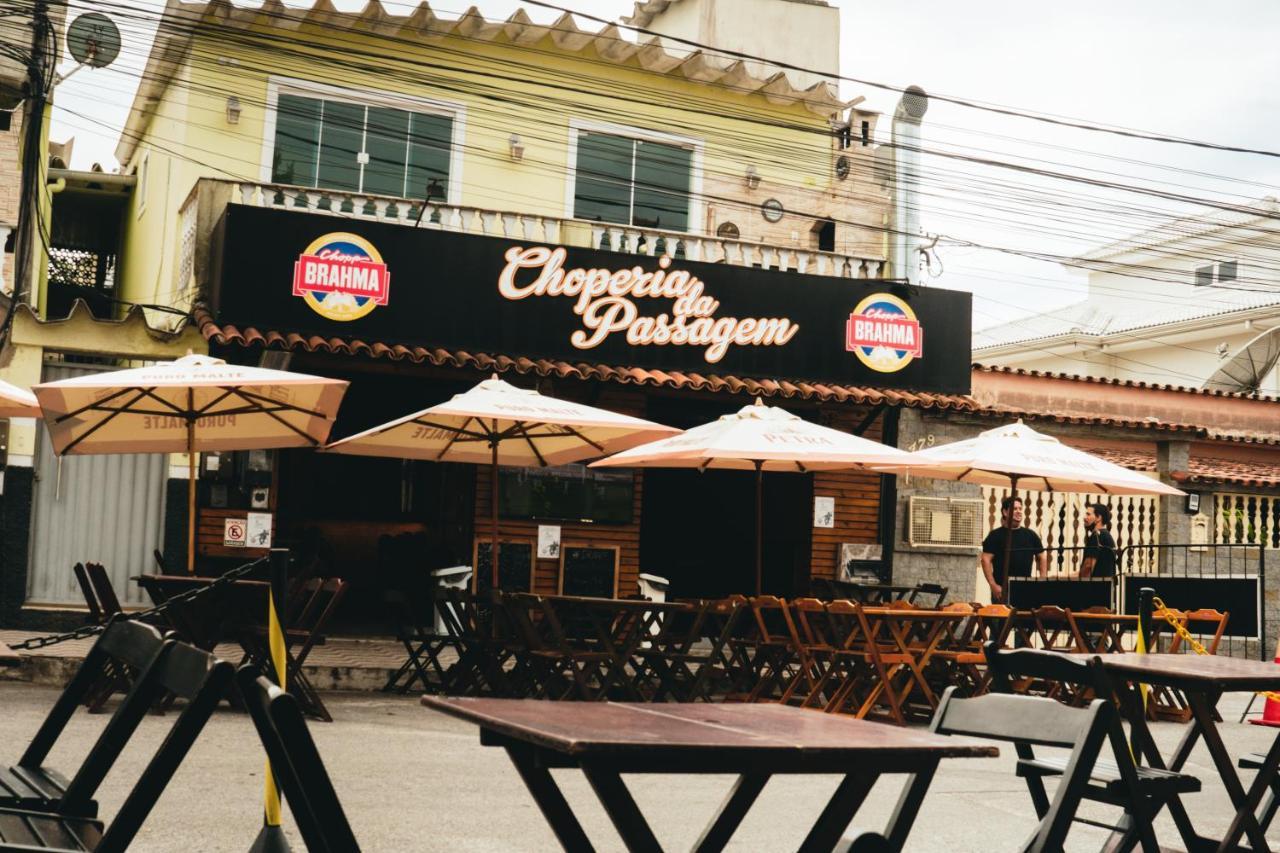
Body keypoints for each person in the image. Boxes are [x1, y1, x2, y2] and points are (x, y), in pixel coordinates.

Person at [981, 496, 1047, 603]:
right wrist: (993, 585)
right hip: (1002, 590)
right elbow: (985, 560)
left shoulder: (1031, 535)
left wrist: (1042, 580)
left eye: (1020, 509)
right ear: (1005, 512)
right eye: (1015, 509)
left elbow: (1042, 556)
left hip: (1026, 589)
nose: (1019, 512)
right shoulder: (995, 536)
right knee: (1002, 619)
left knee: (1024, 619)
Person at [1080, 503, 1117, 578]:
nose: (1084, 517)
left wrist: (1081, 584)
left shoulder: (1096, 536)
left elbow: (1088, 566)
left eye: (1088, 514)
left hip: (1095, 587)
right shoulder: (1106, 535)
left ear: (1098, 518)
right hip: (1105, 586)